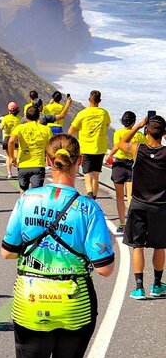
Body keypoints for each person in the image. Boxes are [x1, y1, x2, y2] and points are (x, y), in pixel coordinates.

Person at [0, 134, 114, 358]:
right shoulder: (88, 208)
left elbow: (6, 251)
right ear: (79, 163)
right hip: (74, 304)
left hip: (30, 300)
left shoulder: (27, 199)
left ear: (48, 163)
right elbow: (105, 268)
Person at [118, 114, 166, 299]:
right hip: (160, 206)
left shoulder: (137, 149)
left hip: (138, 204)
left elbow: (121, 142)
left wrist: (138, 126)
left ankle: (139, 288)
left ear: (147, 131)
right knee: (160, 246)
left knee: (137, 245)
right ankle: (157, 285)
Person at [107, 110, 146, 234]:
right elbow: (145, 147)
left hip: (119, 165)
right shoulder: (139, 135)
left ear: (123, 121)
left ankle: (122, 224)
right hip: (132, 166)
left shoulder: (118, 133)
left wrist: (109, 155)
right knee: (131, 197)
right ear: (134, 122)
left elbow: (117, 146)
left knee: (119, 197)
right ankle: (131, 224)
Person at [68, 90, 111, 199]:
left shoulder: (83, 113)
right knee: (96, 177)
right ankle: (94, 199)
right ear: (99, 101)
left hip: (86, 148)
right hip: (100, 148)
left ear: (89, 100)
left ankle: (90, 196)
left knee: (87, 177)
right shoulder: (104, 113)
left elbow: (70, 131)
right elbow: (107, 125)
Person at [10, 105, 53, 193]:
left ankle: (23, 202)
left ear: (26, 116)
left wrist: (12, 158)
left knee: (23, 190)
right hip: (38, 165)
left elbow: (11, 142)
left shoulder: (20, 128)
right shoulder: (46, 129)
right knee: (36, 193)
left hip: (23, 165)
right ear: (38, 117)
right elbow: (51, 146)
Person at [0, 102, 21, 179]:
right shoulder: (19, 118)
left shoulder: (6, 118)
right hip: (16, 138)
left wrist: (4, 127)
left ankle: (9, 173)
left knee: (8, 156)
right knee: (17, 156)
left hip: (7, 138)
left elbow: (1, 127)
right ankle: (19, 171)